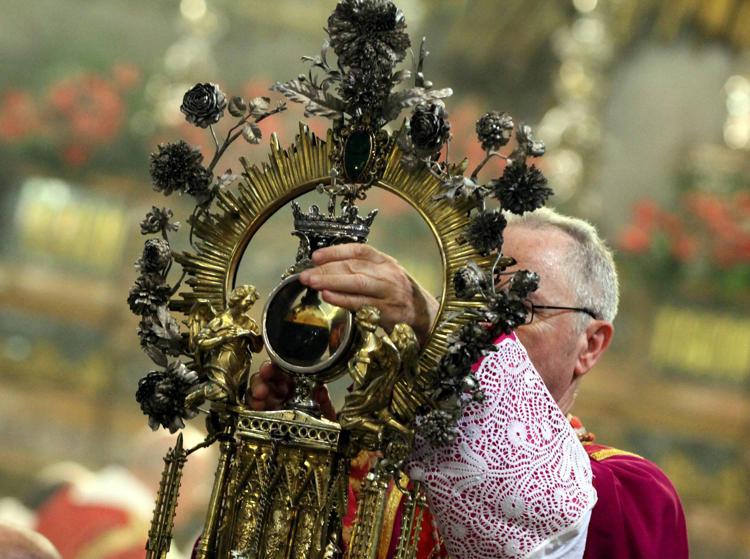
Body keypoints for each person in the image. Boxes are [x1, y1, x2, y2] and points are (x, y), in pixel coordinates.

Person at [248, 207, 688, 558]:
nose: (483, 325)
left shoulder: (634, 500)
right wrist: (307, 458)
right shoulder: (373, 469)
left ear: (590, 344)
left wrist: (427, 318)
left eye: (519, 309)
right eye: (470, 302)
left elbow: (548, 511)